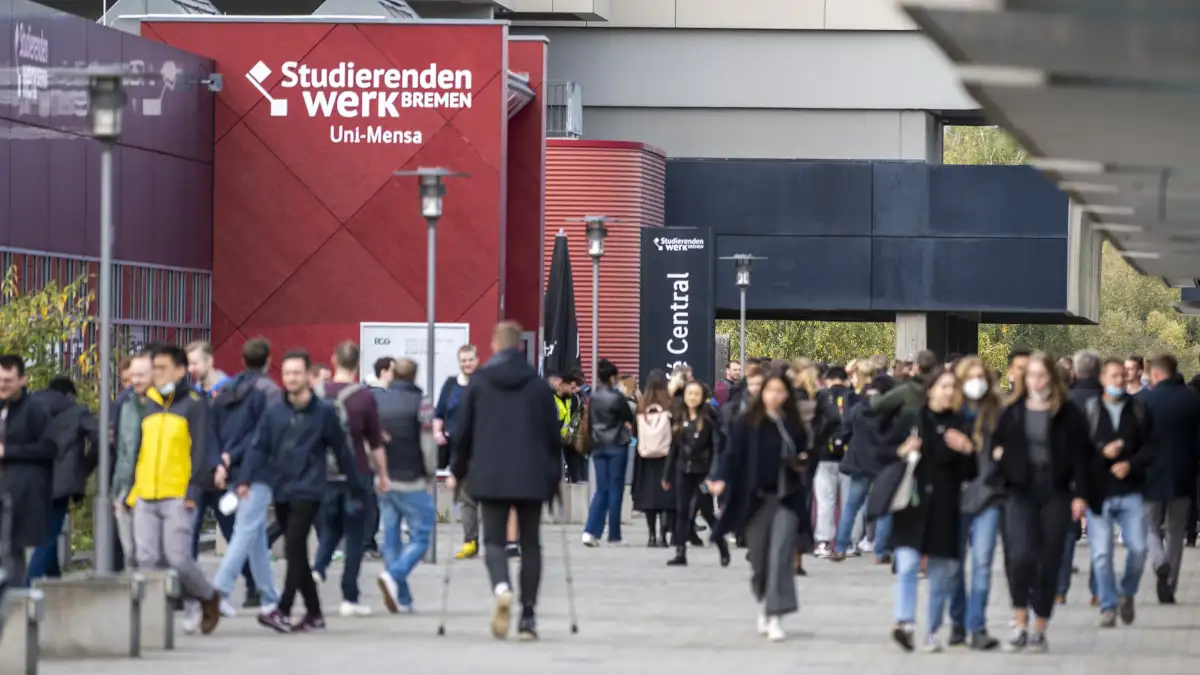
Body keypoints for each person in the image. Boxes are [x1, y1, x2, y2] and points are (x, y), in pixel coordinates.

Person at [449, 321, 560, 641]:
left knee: (494, 541)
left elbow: (463, 433)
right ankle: (528, 617)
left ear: (494, 346)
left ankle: (502, 588)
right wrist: (554, 480)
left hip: (490, 473)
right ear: (520, 347)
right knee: (531, 545)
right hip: (532, 475)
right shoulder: (539, 386)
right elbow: (553, 437)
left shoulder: (479, 383)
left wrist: (457, 471)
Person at [248, 349, 366, 632]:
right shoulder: (275, 412)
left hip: (310, 488)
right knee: (298, 551)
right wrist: (245, 478)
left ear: (308, 377)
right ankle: (314, 614)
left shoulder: (323, 412)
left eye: (297, 373)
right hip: (282, 488)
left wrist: (357, 486)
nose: (291, 378)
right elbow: (259, 447)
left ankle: (284, 609)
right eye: (287, 373)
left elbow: (342, 450)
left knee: (293, 546)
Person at [992, 352, 1091, 652]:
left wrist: (1081, 494)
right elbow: (996, 443)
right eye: (1031, 375)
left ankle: (1039, 626)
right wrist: (1000, 457)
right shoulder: (1013, 410)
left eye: (1041, 375)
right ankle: (1019, 621)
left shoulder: (1068, 412)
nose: (1036, 381)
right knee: (1020, 556)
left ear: (1052, 377)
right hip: (1020, 491)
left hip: (1055, 492)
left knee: (1049, 560)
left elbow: (1082, 456)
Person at [127, 344, 224, 635]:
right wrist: (132, 493)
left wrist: (193, 490)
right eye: (154, 368)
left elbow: (201, 451)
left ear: (180, 371)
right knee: (146, 559)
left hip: (178, 492)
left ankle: (207, 596)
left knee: (178, 558)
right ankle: (156, 623)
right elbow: (139, 451)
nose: (156, 374)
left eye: (162, 368)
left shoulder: (194, 404)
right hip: (146, 492)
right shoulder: (148, 404)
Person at [711, 370, 809, 642]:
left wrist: (803, 459)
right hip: (755, 500)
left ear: (787, 395)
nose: (775, 396)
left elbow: (807, 451)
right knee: (759, 559)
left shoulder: (793, 424)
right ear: (761, 393)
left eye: (780, 391)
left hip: (786, 498)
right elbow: (731, 454)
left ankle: (775, 614)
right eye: (770, 390)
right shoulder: (747, 423)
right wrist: (720, 478)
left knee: (780, 554)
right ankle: (764, 598)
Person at [887, 369, 977, 653]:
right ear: (930, 390)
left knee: (941, 574)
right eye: (943, 386)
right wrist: (902, 450)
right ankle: (905, 624)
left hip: (945, 506)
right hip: (912, 504)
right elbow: (885, 455)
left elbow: (971, 472)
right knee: (907, 564)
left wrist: (968, 449)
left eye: (953, 387)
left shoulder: (961, 423)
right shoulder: (912, 419)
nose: (949, 392)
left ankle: (932, 631)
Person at [207, 337, 283, 617]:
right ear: (268, 359)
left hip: (231, 468)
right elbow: (266, 435)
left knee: (255, 535)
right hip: (256, 470)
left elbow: (213, 429)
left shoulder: (225, 390)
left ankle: (268, 594)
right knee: (245, 532)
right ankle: (219, 591)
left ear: (242, 360)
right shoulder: (269, 392)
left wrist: (221, 462)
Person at [313, 341, 388, 617]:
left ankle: (318, 568)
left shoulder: (317, 394)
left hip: (323, 474)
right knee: (355, 535)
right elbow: (375, 442)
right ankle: (349, 597)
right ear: (357, 364)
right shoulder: (364, 397)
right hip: (356, 473)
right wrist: (383, 475)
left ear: (333, 361)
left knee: (331, 527)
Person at [1082, 357, 1153, 628]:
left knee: (1138, 548)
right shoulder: (1090, 411)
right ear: (1102, 379)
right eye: (1113, 376)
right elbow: (1078, 451)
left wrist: (1130, 464)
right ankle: (1108, 606)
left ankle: (1128, 591)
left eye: (1122, 375)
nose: (1119, 380)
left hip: (1131, 490)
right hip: (1099, 493)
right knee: (1101, 554)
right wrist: (1102, 452)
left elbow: (1152, 447)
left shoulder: (1139, 409)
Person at [947, 356, 1004, 650]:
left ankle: (977, 626)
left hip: (988, 495)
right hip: (954, 497)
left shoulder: (997, 411)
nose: (976, 382)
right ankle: (958, 622)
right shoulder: (949, 411)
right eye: (970, 377)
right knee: (954, 565)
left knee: (982, 561)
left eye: (981, 376)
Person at [371, 358, 437, 614]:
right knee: (422, 534)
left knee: (391, 537)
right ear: (415, 376)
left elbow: (370, 440)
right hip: (411, 478)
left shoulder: (377, 401)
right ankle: (394, 575)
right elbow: (427, 444)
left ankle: (404, 599)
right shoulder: (422, 402)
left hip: (384, 478)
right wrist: (430, 473)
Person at [26, 376, 99, 581]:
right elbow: (99, 439)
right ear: (69, 394)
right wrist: (84, 467)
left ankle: (54, 580)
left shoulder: (29, 406)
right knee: (49, 535)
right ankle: (28, 584)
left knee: (46, 531)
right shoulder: (77, 411)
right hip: (63, 482)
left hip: (32, 477)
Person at [1141, 354, 1200, 604]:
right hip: (1183, 474)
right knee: (1176, 531)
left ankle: (1159, 561)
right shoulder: (1191, 400)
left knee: (1149, 526)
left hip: (1150, 474)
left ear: (1155, 374)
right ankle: (1170, 584)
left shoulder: (1145, 400)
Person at [0, 354, 56, 586]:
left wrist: (8, 451)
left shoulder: (35, 409)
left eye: (8, 381)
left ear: (22, 380)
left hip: (19, 493)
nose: (2, 385)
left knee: (10, 550)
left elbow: (49, 448)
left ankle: (14, 598)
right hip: (6, 488)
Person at [663, 380, 729, 567]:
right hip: (683, 470)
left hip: (703, 473)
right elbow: (674, 448)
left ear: (702, 397)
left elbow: (717, 448)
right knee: (682, 510)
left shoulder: (709, 418)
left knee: (706, 511)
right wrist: (667, 474)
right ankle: (680, 552)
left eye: (696, 394)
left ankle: (721, 544)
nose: (692, 397)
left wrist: (713, 476)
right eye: (689, 393)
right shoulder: (679, 416)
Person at [578, 358, 635, 547]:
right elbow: (629, 418)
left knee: (601, 489)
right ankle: (614, 535)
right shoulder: (617, 397)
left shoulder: (593, 397)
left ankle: (590, 531)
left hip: (598, 446)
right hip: (616, 445)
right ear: (612, 378)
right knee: (615, 490)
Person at [435, 345, 479, 560]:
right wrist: (438, 432)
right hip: (457, 449)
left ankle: (493, 542)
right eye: (463, 360)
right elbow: (439, 412)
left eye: (470, 359)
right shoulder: (451, 385)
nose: (467, 364)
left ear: (477, 360)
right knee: (465, 496)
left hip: (481, 447)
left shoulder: (483, 383)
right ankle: (471, 541)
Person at [112, 351, 153, 571]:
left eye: (138, 376)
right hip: (126, 487)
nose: (133, 383)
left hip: (150, 488)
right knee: (131, 553)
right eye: (129, 379)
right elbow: (122, 451)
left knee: (147, 553)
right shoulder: (126, 405)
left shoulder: (162, 405)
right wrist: (118, 490)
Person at [812, 366, 856, 558]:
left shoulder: (821, 397)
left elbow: (815, 425)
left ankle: (823, 541)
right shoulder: (853, 397)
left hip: (824, 455)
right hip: (849, 456)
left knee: (825, 501)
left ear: (827, 380)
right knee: (849, 502)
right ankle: (850, 542)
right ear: (846, 380)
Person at [632, 370, 676, 547]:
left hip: (645, 457)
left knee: (649, 498)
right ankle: (663, 536)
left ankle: (651, 536)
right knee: (666, 498)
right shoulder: (669, 405)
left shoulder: (641, 406)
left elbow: (635, 432)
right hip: (667, 456)